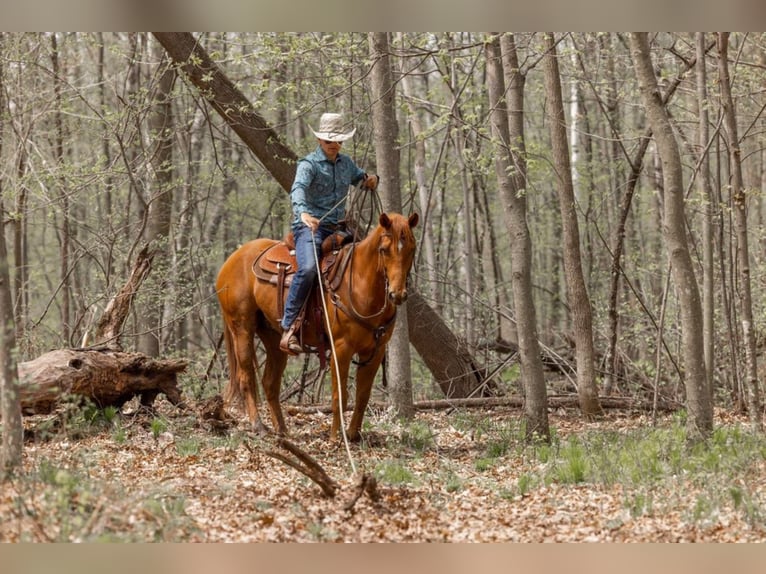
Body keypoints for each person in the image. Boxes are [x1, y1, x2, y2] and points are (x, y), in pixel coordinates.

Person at [280, 112, 379, 354]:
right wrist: (303, 213)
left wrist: (370, 180)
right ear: (319, 141)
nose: (334, 145)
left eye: (338, 142)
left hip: (338, 228)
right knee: (309, 269)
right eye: (329, 142)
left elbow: (359, 178)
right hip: (309, 227)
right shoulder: (308, 164)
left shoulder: (345, 163)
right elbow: (298, 189)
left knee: (371, 260)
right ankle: (289, 326)